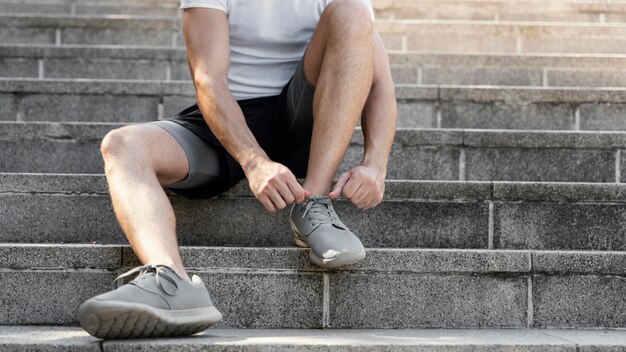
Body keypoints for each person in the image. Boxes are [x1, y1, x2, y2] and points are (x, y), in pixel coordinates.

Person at [78, 0, 397, 340]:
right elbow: (208, 78)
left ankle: (314, 203)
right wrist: (254, 162)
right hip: (227, 123)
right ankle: (169, 281)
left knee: (351, 11)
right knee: (122, 145)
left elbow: (378, 82)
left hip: (306, 118)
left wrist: (375, 166)